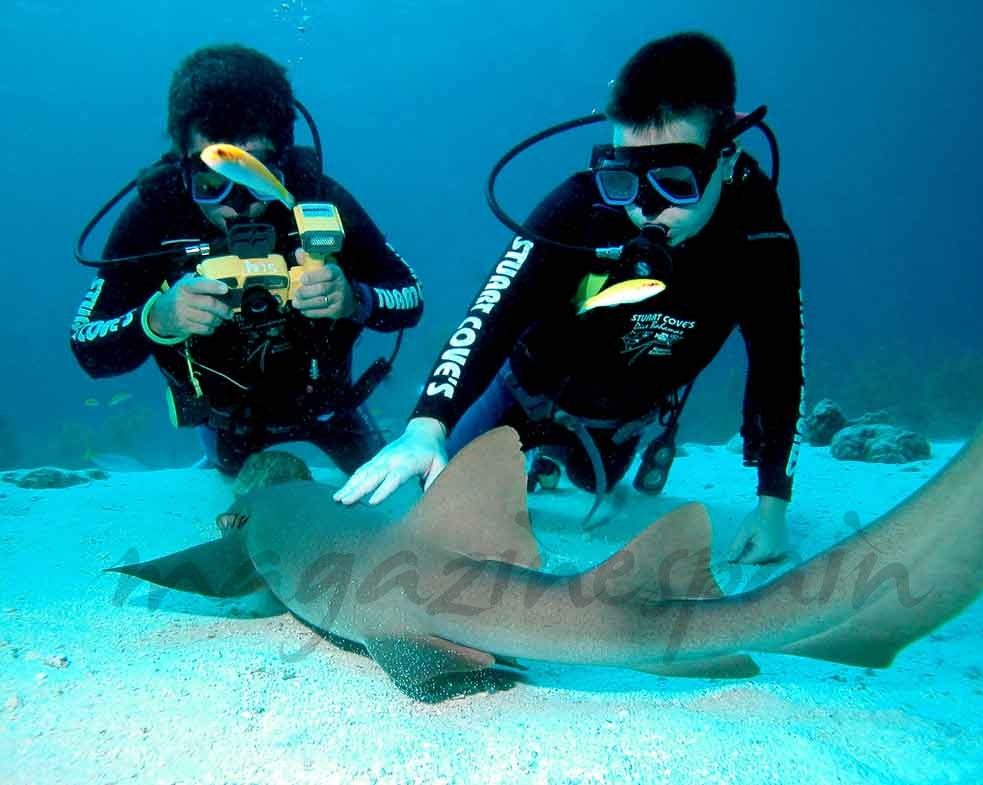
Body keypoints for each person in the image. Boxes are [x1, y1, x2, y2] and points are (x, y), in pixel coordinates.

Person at [335, 32, 803, 564]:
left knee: (589, 477)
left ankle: (559, 462)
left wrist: (772, 508)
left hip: (618, 419)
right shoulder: (580, 204)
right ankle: (529, 454)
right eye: (627, 177)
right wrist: (425, 428)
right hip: (523, 390)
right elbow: (492, 312)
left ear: (726, 155)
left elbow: (779, 364)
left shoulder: (759, 237)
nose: (646, 208)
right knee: (439, 496)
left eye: (676, 181)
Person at [70, 44, 423, 476]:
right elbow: (87, 347)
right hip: (226, 429)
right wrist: (157, 319)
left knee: (396, 509)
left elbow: (410, 296)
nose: (236, 205)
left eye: (256, 175)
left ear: (282, 159)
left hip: (330, 407)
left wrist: (356, 299)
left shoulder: (315, 200)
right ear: (182, 165)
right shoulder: (155, 215)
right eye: (212, 181)